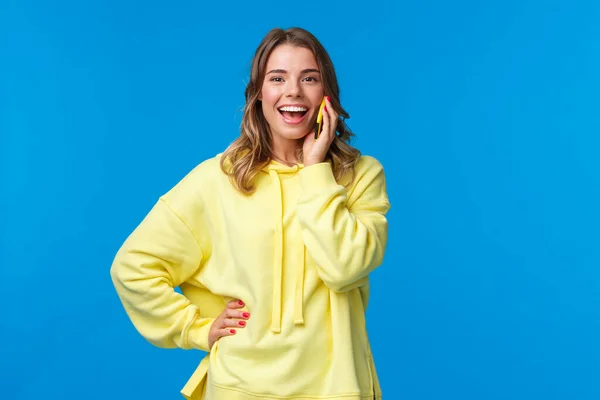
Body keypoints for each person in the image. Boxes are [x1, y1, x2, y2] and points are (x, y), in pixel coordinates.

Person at [110, 27, 391, 400]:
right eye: (278, 78)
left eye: (309, 78)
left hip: (337, 389)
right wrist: (196, 329)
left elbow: (345, 268)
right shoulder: (218, 178)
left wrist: (314, 171)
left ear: (327, 95)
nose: (293, 91)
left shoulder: (361, 176)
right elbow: (133, 266)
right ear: (259, 94)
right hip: (239, 388)